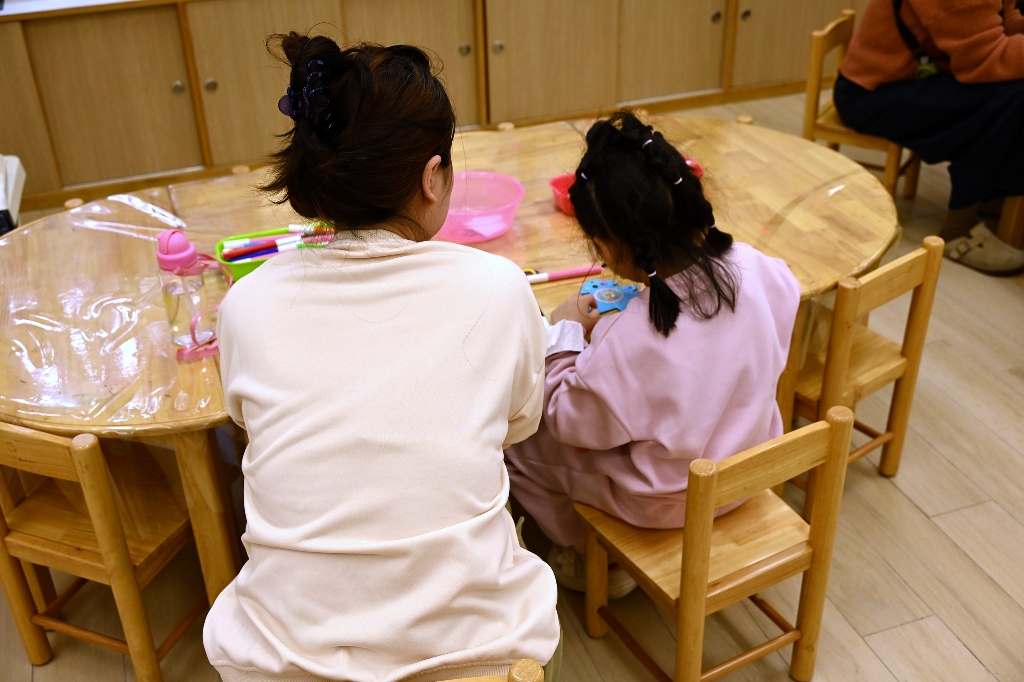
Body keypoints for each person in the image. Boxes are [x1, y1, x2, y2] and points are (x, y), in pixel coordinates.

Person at [203, 34, 561, 682]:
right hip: (481, 657)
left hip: (285, 663)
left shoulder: (245, 304)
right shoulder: (498, 286)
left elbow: (250, 430)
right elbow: (518, 425)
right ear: (432, 177)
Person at [504, 112, 801, 596]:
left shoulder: (632, 336)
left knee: (517, 442)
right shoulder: (761, 268)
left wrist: (565, 331)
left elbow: (569, 422)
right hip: (748, 471)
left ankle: (590, 557)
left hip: (664, 501)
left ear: (613, 244)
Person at [834, 0, 1024, 275]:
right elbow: (986, 60)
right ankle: (959, 229)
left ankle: (992, 193)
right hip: (873, 94)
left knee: (1009, 94)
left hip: (919, 76)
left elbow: (1006, 20)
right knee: (1011, 99)